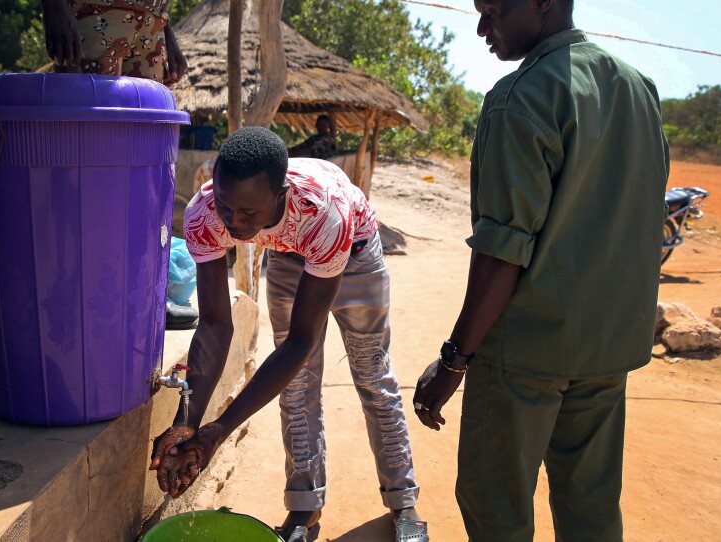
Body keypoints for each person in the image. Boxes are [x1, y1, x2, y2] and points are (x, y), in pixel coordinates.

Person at [412, 1, 669, 541]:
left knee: (495, 508)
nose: (483, 26)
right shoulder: (637, 88)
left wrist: (454, 361)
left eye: (494, 10)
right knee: (592, 509)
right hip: (607, 348)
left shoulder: (520, 97)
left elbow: (502, 251)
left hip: (525, 356)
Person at [150, 127, 429, 542]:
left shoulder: (323, 210)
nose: (234, 222)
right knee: (296, 386)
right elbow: (213, 324)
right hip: (290, 253)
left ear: (280, 195)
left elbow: (303, 340)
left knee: (373, 375)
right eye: (227, 207)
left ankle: (403, 501)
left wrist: (221, 429)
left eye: (248, 213)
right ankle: (304, 507)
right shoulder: (204, 213)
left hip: (353, 252)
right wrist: (187, 423)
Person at [40, 0, 187, 85]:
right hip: (95, 12)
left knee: (142, 132)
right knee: (88, 127)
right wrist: (53, 4)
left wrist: (164, 23)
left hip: (153, 24)